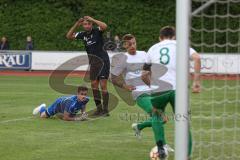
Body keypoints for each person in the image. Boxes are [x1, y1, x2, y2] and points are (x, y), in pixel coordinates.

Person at [141, 26, 201, 159]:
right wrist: (196, 82)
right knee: (183, 121)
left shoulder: (153, 48)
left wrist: (151, 85)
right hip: (178, 90)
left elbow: (144, 74)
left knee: (156, 115)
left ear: (160, 37)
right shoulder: (180, 45)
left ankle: (161, 147)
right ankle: (186, 155)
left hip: (159, 89)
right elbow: (196, 58)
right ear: (174, 36)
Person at [110, 34, 174, 154]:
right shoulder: (123, 59)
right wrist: (124, 86)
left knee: (162, 119)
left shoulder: (144, 54)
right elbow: (112, 77)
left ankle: (139, 126)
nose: (132, 46)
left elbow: (150, 69)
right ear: (124, 45)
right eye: (129, 44)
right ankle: (162, 146)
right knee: (158, 115)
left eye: (134, 43)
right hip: (138, 92)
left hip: (152, 90)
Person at [66, 16, 110, 117]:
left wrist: (93, 19)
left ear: (91, 24)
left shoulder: (97, 31)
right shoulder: (82, 35)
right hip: (93, 63)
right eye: (85, 24)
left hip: (103, 61)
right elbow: (68, 36)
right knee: (94, 86)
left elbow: (105, 26)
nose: (87, 26)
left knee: (103, 86)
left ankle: (105, 110)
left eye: (88, 24)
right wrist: (77, 23)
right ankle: (99, 110)